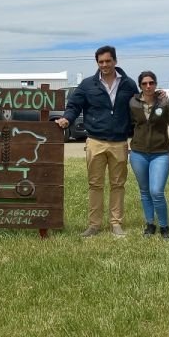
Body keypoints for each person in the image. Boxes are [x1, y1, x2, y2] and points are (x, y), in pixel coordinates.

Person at [56, 45, 139, 237]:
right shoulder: (87, 85)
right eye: (101, 62)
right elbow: (74, 105)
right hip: (95, 141)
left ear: (115, 61)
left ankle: (116, 223)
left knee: (118, 184)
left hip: (119, 142)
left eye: (108, 61)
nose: (105, 65)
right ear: (97, 63)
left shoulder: (129, 84)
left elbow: (138, 107)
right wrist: (67, 118)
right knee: (95, 184)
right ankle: (94, 225)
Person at [129, 71, 169, 239]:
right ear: (140, 86)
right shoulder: (133, 103)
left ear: (156, 84)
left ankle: (164, 227)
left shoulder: (164, 102)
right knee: (144, 191)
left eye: (151, 82)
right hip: (138, 153)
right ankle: (150, 224)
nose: (148, 86)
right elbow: (127, 123)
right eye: (144, 83)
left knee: (156, 191)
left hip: (160, 153)